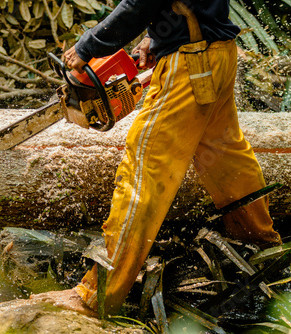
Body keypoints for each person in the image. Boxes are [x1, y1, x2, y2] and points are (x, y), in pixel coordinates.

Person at [31, 0, 282, 316]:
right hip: (218, 53)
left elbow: (139, 2)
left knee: (141, 177)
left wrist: (88, 46)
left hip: (189, 67)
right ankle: (267, 251)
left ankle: (96, 297)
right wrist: (160, 35)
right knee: (224, 157)